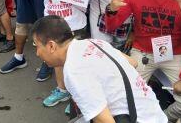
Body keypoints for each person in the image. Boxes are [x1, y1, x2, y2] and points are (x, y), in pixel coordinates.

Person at [31, 15, 168, 123]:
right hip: (152, 112)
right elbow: (132, 63)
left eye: (36, 45)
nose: (37, 53)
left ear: (51, 46)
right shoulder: (94, 42)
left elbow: (104, 120)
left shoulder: (74, 71)